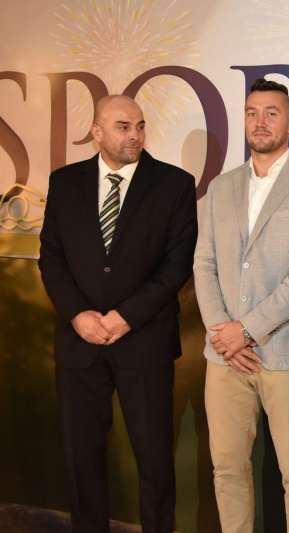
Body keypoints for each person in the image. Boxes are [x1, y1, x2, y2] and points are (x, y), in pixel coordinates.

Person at [38, 94, 198, 532]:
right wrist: (78, 315)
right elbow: (51, 256)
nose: (135, 135)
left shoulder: (174, 184)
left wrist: (125, 316)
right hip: (79, 344)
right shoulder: (64, 182)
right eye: (123, 127)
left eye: (140, 126)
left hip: (144, 343)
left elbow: (176, 265)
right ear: (97, 131)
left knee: (155, 460)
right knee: (82, 458)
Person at [193, 79, 289, 533]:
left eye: (271, 113)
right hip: (224, 356)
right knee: (226, 470)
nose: (260, 122)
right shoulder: (220, 188)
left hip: (287, 353)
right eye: (252, 112)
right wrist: (223, 332)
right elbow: (204, 263)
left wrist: (247, 330)